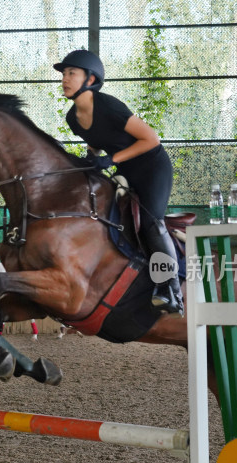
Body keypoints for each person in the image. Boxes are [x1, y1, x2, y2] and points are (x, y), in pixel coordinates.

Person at [53, 49, 183, 315]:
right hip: (123, 168)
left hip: (152, 167)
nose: (65, 79)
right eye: (64, 74)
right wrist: (90, 159)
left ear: (90, 79)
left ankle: (171, 289)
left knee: (151, 222)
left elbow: (151, 139)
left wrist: (110, 160)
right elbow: (96, 140)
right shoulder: (72, 118)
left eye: (71, 73)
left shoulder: (109, 106)